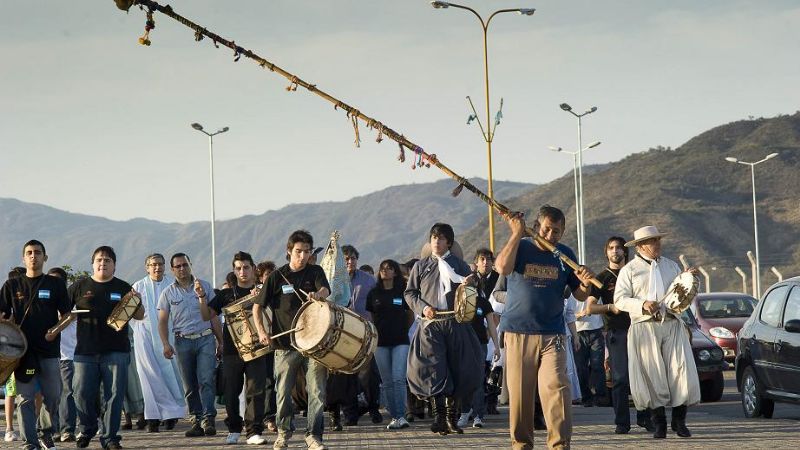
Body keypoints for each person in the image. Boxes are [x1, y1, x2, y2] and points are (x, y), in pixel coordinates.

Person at [495, 206, 595, 450]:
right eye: (547, 229)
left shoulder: (565, 254)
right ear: (538, 226)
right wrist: (516, 233)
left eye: (557, 231)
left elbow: (580, 294)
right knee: (520, 397)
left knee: (557, 390)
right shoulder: (521, 246)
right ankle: (521, 445)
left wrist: (585, 283)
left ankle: (560, 445)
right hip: (518, 332)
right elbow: (502, 268)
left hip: (553, 333)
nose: (551, 235)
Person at [614, 226, 700, 439]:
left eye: (658, 240)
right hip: (645, 326)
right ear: (641, 246)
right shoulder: (629, 270)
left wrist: (687, 279)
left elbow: (680, 295)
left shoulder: (671, 266)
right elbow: (620, 300)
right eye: (653, 241)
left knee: (681, 372)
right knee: (652, 375)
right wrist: (643, 304)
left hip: (672, 324)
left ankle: (679, 422)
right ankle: (658, 423)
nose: (658, 244)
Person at [253, 230, 331, 450]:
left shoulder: (315, 271)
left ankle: (314, 436)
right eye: (298, 251)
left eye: (307, 251)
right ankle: (284, 433)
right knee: (283, 392)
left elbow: (325, 289)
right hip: (285, 345)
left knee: (317, 391)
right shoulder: (277, 276)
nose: (303, 256)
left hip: (314, 343)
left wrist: (319, 295)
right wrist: (261, 331)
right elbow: (258, 306)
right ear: (289, 251)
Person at [404, 223, 484, 436]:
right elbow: (410, 293)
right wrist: (423, 307)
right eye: (433, 238)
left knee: (457, 369)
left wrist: (470, 283)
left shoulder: (460, 265)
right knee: (434, 369)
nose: (436, 242)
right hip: (431, 324)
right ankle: (439, 417)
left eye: (440, 238)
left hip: (455, 323)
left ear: (448, 242)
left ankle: (451, 418)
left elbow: (473, 292)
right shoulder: (420, 266)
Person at [68, 246, 143, 450]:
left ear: (114, 265)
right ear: (92, 263)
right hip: (85, 351)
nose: (103, 263)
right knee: (81, 393)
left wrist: (137, 300)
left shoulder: (123, 287)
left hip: (117, 350)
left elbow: (139, 315)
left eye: (108, 260)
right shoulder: (79, 287)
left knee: (114, 395)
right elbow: (63, 313)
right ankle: (87, 428)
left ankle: (110, 438)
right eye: (99, 260)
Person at [578, 237, 653, 434]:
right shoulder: (602, 277)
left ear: (625, 252)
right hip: (617, 332)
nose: (615, 251)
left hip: (640, 329)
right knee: (620, 379)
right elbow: (590, 307)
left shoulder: (635, 272)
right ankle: (622, 422)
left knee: (644, 376)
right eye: (611, 248)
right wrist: (611, 307)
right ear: (606, 252)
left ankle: (646, 418)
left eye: (619, 248)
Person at [0, 242, 71, 450]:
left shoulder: (55, 284)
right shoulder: (12, 285)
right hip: (22, 352)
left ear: (45, 258)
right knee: (24, 398)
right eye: (29, 253)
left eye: (37, 253)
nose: (33, 256)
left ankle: (46, 432)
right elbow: (2, 314)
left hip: (49, 350)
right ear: (23, 258)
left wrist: (54, 331)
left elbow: (68, 316)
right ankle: (29, 442)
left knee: (54, 395)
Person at [206, 252, 268, 445]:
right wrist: (201, 297)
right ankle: (234, 428)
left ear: (253, 268)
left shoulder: (263, 291)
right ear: (234, 270)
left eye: (246, 267)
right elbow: (206, 315)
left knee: (256, 391)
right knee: (231, 392)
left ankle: (253, 432)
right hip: (232, 351)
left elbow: (274, 314)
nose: (243, 271)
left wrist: (261, 298)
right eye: (239, 268)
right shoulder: (225, 294)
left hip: (257, 349)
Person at [159, 252, 222, 438]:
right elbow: (162, 321)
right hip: (182, 341)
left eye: (185, 265)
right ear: (172, 270)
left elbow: (213, 315)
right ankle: (196, 420)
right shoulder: (168, 293)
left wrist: (221, 341)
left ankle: (209, 419)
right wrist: (165, 344)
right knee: (189, 384)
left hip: (205, 339)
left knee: (206, 380)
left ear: (190, 265)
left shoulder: (205, 286)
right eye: (177, 266)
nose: (182, 269)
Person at [130, 253, 187, 432]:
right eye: (153, 265)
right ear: (147, 267)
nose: (157, 268)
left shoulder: (172, 285)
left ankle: (171, 414)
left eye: (160, 264)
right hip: (144, 337)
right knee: (148, 376)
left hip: (168, 335)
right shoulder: (138, 286)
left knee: (169, 373)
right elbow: (132, 314)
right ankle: (153, 417)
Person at [365, 259, 412, 430]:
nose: (385, 270)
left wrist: (402, 330)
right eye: (382, 268)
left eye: (389, 268)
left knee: (399, 378)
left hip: (400, 341)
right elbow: (371, 317)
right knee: (386, 382)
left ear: (395, 272)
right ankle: (394, 416)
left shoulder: (403, 292)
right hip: (380, 343)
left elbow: (410, 315)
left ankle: (401, 415)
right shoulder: (373, 294)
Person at [456, 249, 501, 429]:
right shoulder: (460, 300)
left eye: (474, 281)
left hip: (481, 343)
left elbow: (491, 324)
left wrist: (496, 346)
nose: (472, 282)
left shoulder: (484, 302)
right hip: (463, 344)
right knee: (465, 379)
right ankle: (465, 412)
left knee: (479, 379)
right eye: (469, 279)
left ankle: (478, 415)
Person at [342, 245, 381, 425]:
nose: (350, 262)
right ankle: (350, 414)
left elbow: (377, 306)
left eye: (353, 258)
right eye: (346, 259)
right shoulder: (332, 281)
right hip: (342, 336)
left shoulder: (369, 280)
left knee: (369, 375)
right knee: (346, 376)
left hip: (365, 334)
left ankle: (374, 409)